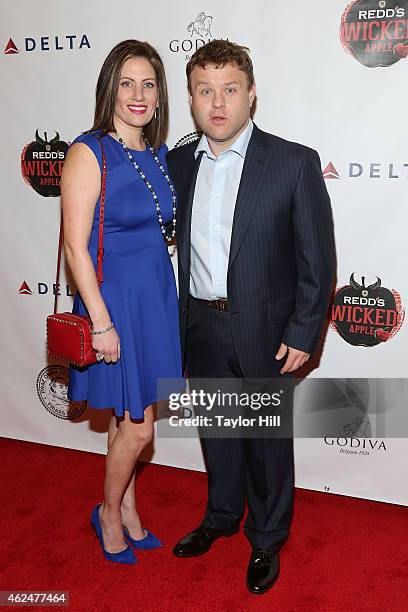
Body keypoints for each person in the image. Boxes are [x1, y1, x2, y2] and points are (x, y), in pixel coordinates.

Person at [166, 40, 336, 594]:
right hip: (202, 327)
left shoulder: (293, 162)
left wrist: (305, 329)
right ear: (191, 99)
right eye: (205, 91)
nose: (218, 103)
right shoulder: (177, 164)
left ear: (252, 95)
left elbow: (317, 258)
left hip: (267, 330)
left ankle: (266, 537)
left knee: (264, 442)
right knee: (217, 433)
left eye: (230, 90)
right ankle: (220, 518)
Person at [61, 40, 182, 565]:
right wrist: (103, 324)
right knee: (141, 426)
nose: (138, 94)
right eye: (127, 82)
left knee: (127, 415)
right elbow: (74, 245)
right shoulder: (90, 151)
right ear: (109, 87)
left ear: (159, 96)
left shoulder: (156, 152)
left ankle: (128, 505)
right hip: (115, 304)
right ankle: (108, 513)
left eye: (148, 83)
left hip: (153, 297)